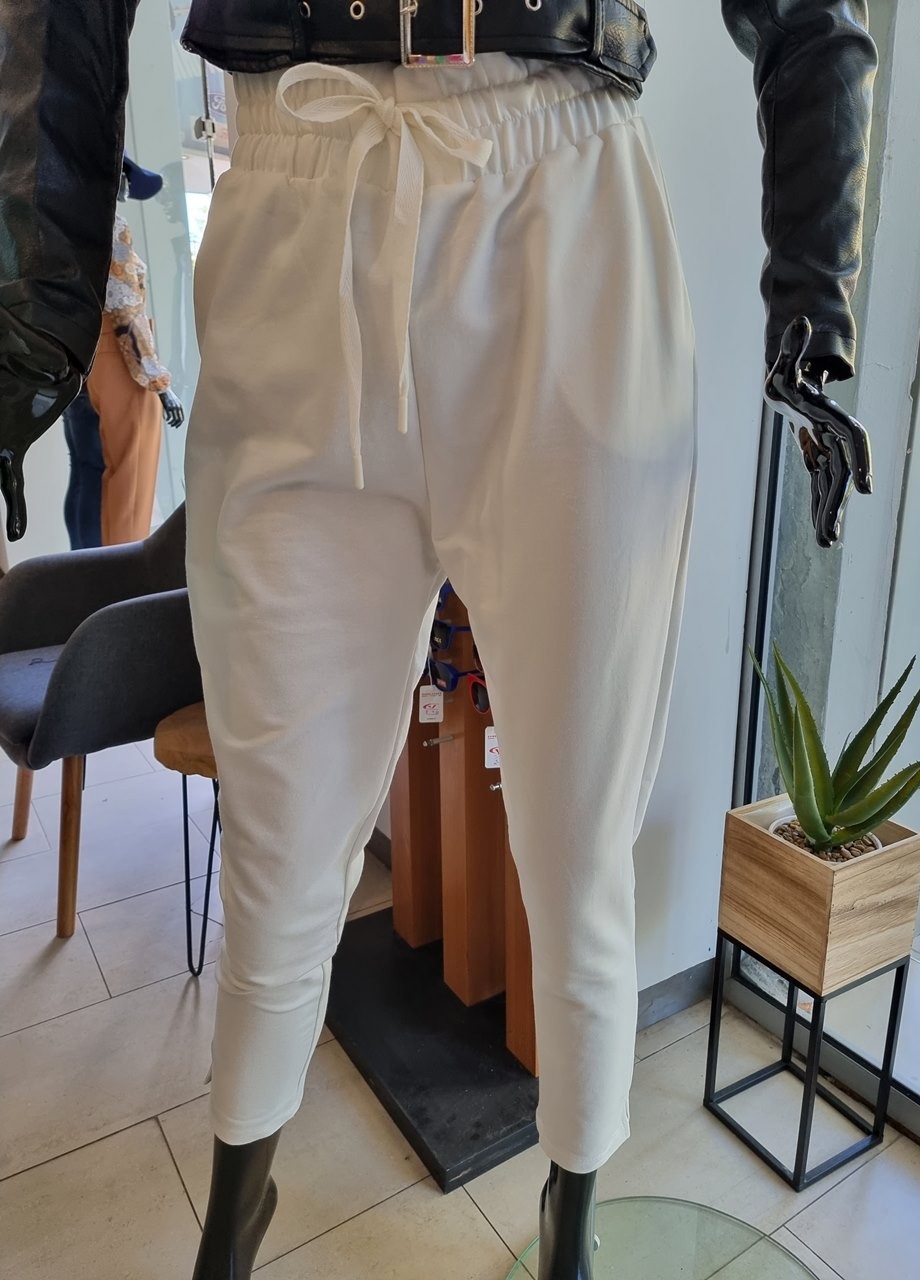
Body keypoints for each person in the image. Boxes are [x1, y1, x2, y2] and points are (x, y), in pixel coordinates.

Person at [0, 4, 877, 1279]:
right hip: (291, 198)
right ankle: (229, 1231)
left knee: (577, 836)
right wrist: (38, 314)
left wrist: (816, 293)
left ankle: (569, 1230)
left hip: (564, 209)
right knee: (279, 834)